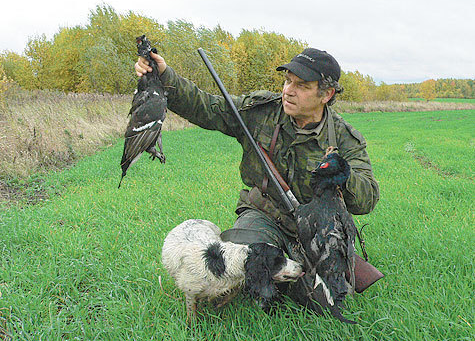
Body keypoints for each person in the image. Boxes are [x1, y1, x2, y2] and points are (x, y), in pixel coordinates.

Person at [135, 46, 379, 283]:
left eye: (302, 86)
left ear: (326, 95)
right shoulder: (261, 111)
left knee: (321, 300)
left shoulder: (344, 138)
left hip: (315, 226)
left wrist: (342, 174)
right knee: (243, 263)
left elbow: (367, 199)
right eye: (288, 81)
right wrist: (165, 75)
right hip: (264, 213)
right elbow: (206, 108)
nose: (289, 91)